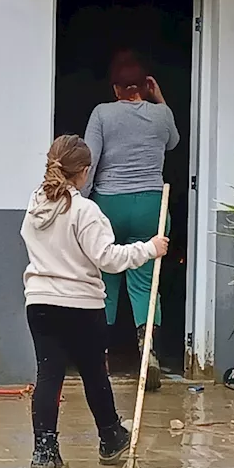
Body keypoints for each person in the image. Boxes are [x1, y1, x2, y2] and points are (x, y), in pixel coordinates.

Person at [21, 135, 170, 468]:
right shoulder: (85, 211)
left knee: (48, 375)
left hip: (40, 302)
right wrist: (150, 248)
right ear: (84, 172)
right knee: (93, 373)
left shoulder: (35, 205)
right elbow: (108, 258)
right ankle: (110, 437)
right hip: (81, 306)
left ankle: (44, 454)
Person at [81, 52, 180, 390]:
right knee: (144, 280)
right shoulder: (161, 115)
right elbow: (174, 141)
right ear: (144, 86)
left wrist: (82, 202)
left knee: (104, 280)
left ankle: (99, 354)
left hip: (109, 204)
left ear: (115, 88)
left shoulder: (102, 114)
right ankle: (147, 348)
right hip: (151, 204)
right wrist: (159, 98)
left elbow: (89, 162)